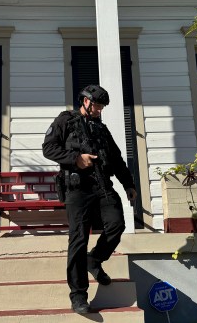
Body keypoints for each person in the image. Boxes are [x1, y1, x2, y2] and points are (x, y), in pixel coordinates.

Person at [42, 84, 137, 314]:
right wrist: (76, 159)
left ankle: (94, 260)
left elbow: (115, 158)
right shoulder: (66, 120)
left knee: (116, 224)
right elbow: (48, 148)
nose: (100, 110)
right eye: (97, 106)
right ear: (85, 101)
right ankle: (78, 295)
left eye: (102, 107)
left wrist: (128, 184)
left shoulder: (101, 129)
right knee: (78, 239)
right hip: (77, 189)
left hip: (102, 185)